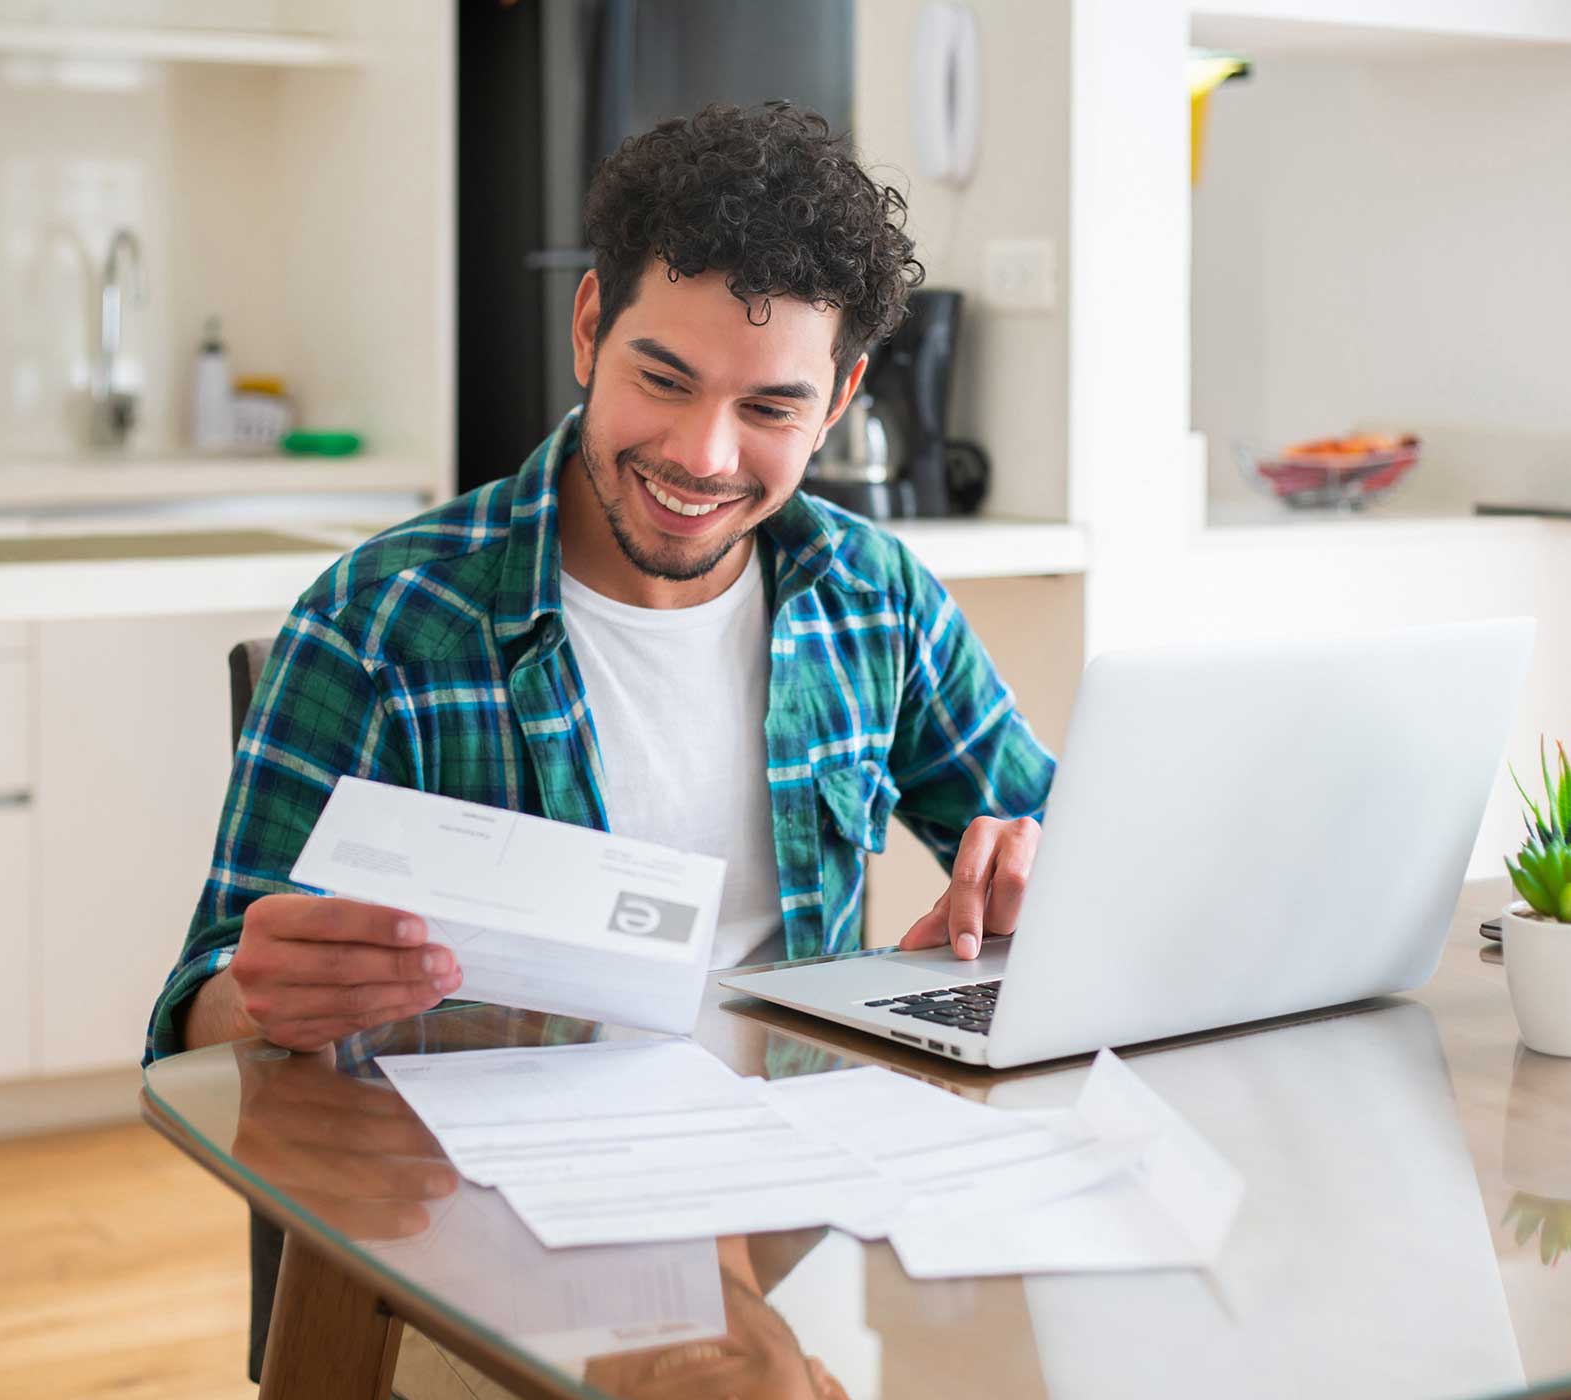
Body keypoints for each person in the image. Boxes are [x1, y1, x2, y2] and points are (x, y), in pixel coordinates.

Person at [147, 101, 1055, 1063]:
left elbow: (1065, 848)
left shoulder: (876, 600)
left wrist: (1033, 869)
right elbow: (198, 1024)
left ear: (835, 402)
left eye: (768, 408)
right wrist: (257, 1002)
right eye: (664, 381)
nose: (703, 457)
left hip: (791, 1174)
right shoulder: (379, 625)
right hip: (477, 1194)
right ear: (589, 331)